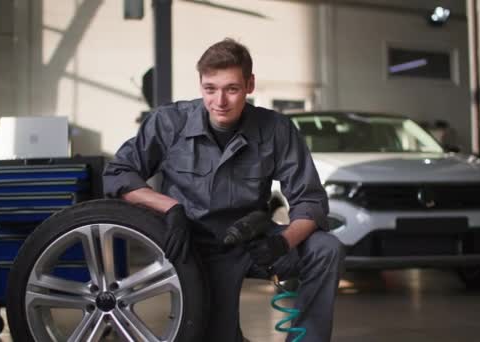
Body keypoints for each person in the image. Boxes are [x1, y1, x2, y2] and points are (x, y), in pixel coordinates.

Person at [103, 38, 343, 342]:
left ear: (249, 85)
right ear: (200, 84)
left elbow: (310, 201)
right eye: (210, 89)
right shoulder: (169, 123)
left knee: (326, 248)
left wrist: (282, 242)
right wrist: (169, 207)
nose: (220, 101)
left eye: (231, 89)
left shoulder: (276, 129)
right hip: (193, 247)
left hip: (249, 240)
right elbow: (118, 173)